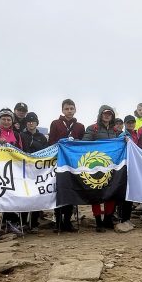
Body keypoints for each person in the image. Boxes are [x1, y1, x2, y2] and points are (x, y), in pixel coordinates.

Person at [0, 108, 24, 235]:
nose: (6, 121)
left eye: (9, 119)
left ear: (12, 121)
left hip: (11, 170)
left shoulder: (17, 135)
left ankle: (8, 223)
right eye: (3, 119)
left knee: (10, 196)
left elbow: (21, 151)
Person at [49, 99, 85, 232]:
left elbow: (82, 145)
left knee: (71, 191)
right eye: (66, 109)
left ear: (75, 109)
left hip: (73, 164)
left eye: (71, 108)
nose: (69, 111)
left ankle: (67, 221)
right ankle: (58, 221)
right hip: (59, 163)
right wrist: (60, 143)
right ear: (62, 110)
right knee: (59, 190)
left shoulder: (80, 126)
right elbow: (51, 141)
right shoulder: (56, 123)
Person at [83, 105, 119, 231]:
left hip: (111, 165)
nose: (107, 115)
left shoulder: (116, 131)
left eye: (110, 114)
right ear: (100, 114)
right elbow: (84, 144)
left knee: (111, 191)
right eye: (105, 113)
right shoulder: (92, 128)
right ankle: (98, 221)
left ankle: (108, 219)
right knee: (96, 193)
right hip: (96, 165)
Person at [20, 112, 50, 233]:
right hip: (24, 169)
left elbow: (47, 151)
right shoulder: (21, 135)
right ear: (26, 123)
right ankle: (23, 222)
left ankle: (34, 222)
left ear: (37, 123)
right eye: (28, 121)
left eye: (33, 121)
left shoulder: (42, 137)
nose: (31, 123)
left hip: (38, 170)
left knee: (37, 196)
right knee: (24, 195)